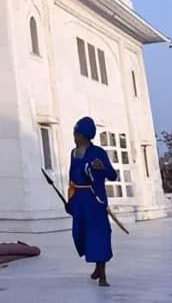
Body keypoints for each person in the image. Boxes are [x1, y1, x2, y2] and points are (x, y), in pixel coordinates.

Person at [68, 116, 118, 287]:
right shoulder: (73, 153)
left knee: (98, 235)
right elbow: (71, 178)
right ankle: (97, 267)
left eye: (76, 133)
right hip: (79, 200)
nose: (74, 137)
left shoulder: (98, 153)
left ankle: (102, 274)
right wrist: (70, 200)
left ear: (83, 135)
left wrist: (101, 168)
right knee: (80, 233)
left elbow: (112, 175)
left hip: (94, 199)